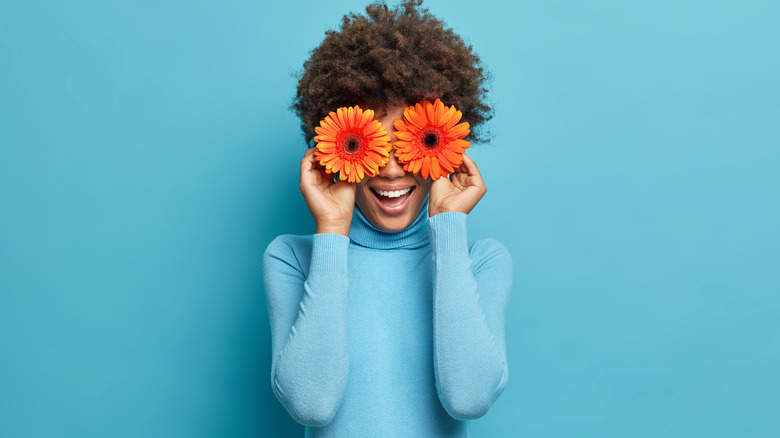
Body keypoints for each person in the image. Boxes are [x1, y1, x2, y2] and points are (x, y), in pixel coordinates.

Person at [262, 1, 512, 436]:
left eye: (410, 143)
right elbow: (311, 403)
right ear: (336, 146)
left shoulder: (482, 262)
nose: (391, 169)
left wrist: (448, 226)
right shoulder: (292, 258)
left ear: (445, 145)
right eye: (371, 144)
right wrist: (333, 232)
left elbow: (468, 398)